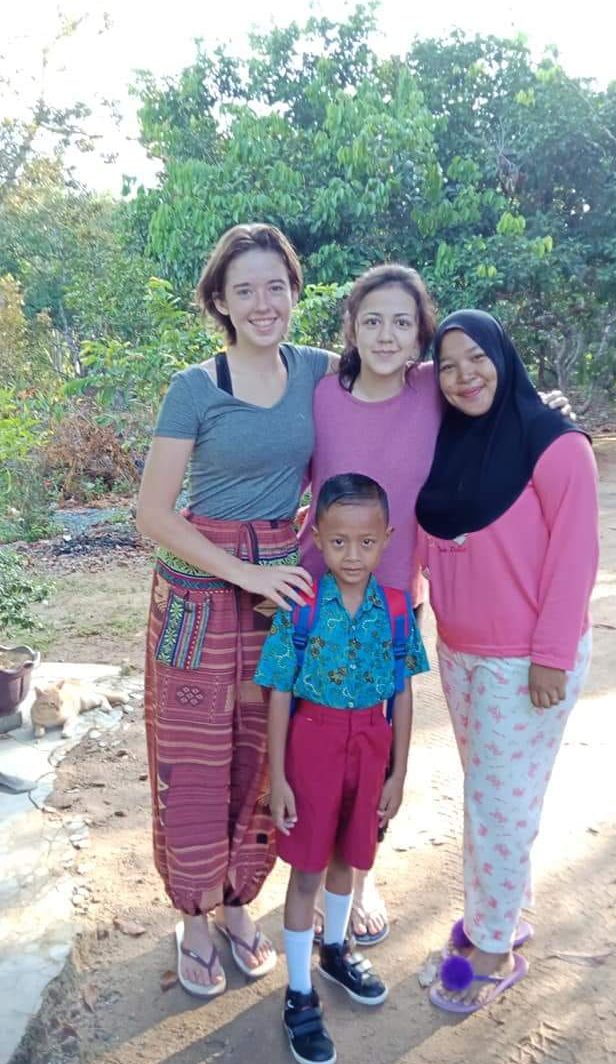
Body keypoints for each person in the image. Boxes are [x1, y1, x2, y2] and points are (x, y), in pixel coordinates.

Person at [137, 223, 336, 997]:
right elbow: (153, 513)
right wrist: (241, 572)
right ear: (220, 300)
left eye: (276, 286)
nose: (263, 303)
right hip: (195, 597)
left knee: (260, 751)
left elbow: (400, 386)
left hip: (275, 594)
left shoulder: (318, 371)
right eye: (244, 289)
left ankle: (238, 900)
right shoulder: (195, 387)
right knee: (191, 757)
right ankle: (193, 912)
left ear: (294, 291)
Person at [414, 309, 599, 1014]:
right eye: (448, 365)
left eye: (477, 359)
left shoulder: (556, 446)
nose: (464, 376)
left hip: (525, 663)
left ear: (503, 356)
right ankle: (502, 912)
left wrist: (551, 657)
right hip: (461, 653)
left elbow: (575, 558)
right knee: (497, 796)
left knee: (497, 803)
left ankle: (491, 947)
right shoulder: (449, 442)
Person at [255, 473, 429, 1064]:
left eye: (366, 542)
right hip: (312, 747)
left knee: (347, 861)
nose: (352, 555)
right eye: (337, 542)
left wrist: (398, 773)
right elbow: (280, 692)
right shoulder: (300, 610)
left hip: (371, 748)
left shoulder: (398, 610)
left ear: (388, 538)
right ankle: (299, 992)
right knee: (306, 869)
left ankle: (335, 949)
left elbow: (402, 693)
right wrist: (278, 778)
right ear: (318, 538)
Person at [298, 264, 440, 946]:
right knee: (316, 745)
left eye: (402, 322)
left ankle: (359, 875)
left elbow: (497, 394)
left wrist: (553, 413)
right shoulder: (322, 394)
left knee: (375, 747)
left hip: (393, 603)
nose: (387, 335)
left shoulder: (435, 389)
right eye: (373, 320)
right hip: (317, 600)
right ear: (351, 327)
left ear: (420, 335)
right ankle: (309, 873)